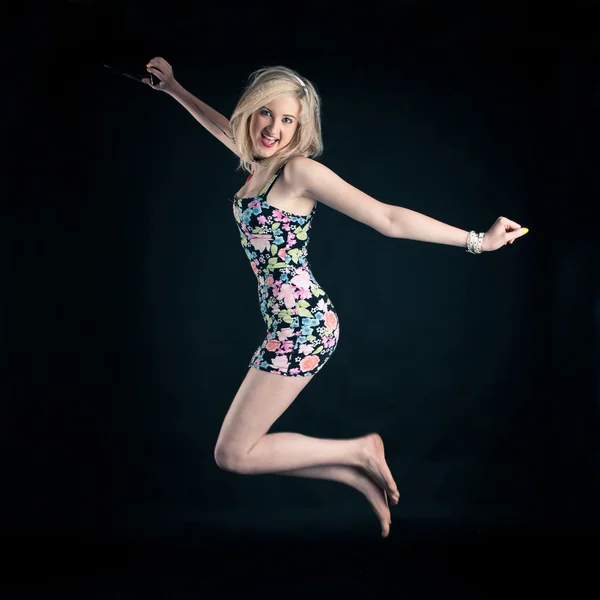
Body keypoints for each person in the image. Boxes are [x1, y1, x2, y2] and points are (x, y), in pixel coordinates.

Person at [142, 57, 529, 538]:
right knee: (235, 454)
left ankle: (357, 452)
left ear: (300, 128)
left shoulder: (297, 171)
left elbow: (388, 219)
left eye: (288, 121)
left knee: (232, 453)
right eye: (268, 113)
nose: (274, 128)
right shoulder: (261, 165)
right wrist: (175, 88)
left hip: (304, 326)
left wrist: (478, 240)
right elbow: (223, 127)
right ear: (254, 110)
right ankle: (355, 469)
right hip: (289, 324)